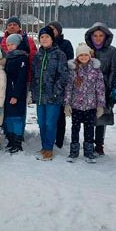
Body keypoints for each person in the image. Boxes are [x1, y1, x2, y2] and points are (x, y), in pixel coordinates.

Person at [65, 43, 106, 163]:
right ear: (77, 57)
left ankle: (89, 152)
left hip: (90, 106)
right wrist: (67, 104)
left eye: (85, 55)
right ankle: (74, 152)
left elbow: (100, 88)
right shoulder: (73, 70)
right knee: (75, 128)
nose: (83, 57)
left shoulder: (95, 70)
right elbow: (68, 88)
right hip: (76, 105)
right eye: (80, 55)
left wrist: (100, 106)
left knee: (89, 129)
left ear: (89, 56)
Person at [31, 27, 68, 161]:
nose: (44, 39)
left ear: (52, 39)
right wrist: (33, 91)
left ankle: (49, 148)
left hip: (53, 97)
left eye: (47, 37)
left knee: (50, 123)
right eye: (42, 37)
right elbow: (34, 74)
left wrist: (56, 92)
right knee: (41, 122)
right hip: (40, 96)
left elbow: (63, 76)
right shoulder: (38, 55)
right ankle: (44, 146)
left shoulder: (59, 54)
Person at [84, 23, 116, 156]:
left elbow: (114, 70)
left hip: (104, 88)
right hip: (87, 89)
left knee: (101, 117)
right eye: (95, 36)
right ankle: (88, 143)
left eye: (101, 35)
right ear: (91, 37)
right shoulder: (86, 49)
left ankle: (99, 145)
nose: (98, 38)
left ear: (106, 37)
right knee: (88, 117)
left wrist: (110, 89)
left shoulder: (111, 51)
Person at [46, 21, 74, 150]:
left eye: (54, 29)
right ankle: (48, 137)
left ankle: (60, 140)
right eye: (49, 29)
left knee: (60, 114)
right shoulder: (46, 43)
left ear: (59, 31)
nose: (52, 31)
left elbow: (69, 63)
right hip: (48, 83)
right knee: (49, 113)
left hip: (61, 83)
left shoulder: (66, 44)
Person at [3, 33, 29, 154]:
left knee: (16, 118)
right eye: (8, 44)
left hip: (16, 93)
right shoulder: (9, 57)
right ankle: (11, 140)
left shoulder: (22, 57)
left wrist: (16, 95)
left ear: (18, 44)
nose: (10, 46)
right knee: (8, 118)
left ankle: (17, 142)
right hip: (7, 92)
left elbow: (21, 78)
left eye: (12, 44)